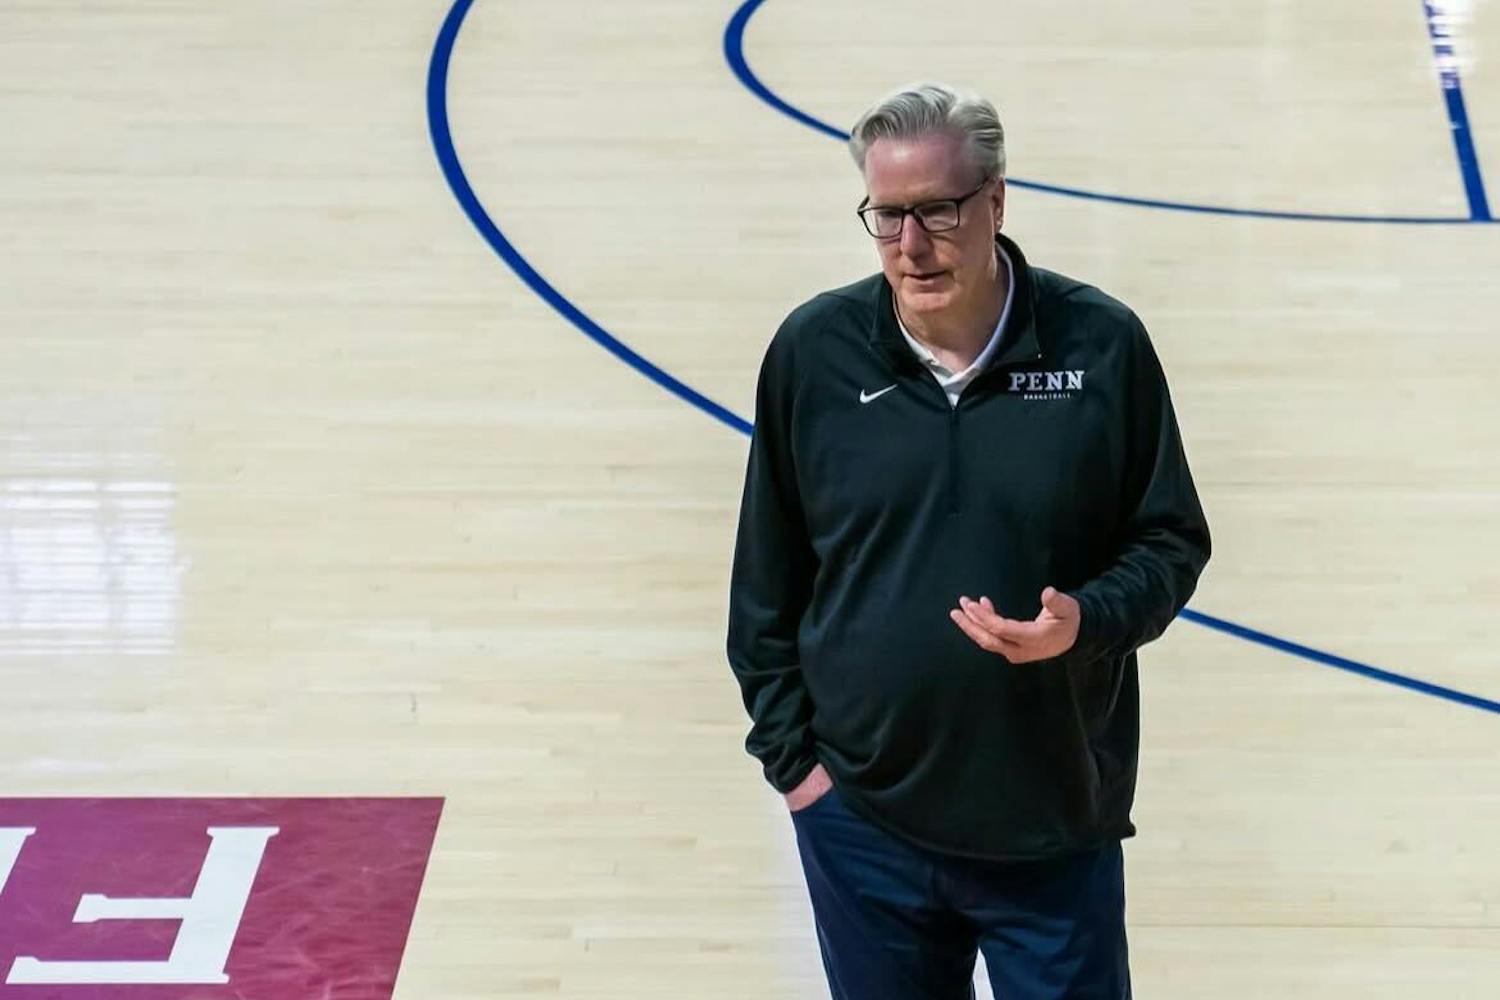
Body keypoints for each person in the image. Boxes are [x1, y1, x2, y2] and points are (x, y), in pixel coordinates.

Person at [724, 81, 1212, 999]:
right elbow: (766, 583)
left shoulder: (1100, 347)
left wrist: (1088, 620)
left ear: (995, 199)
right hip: (863, 828)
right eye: (887, 216)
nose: (911, 247)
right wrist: (797, 771)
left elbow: (1171, 540)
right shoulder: (813, 355)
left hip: (1052, 826)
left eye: (939, 213)